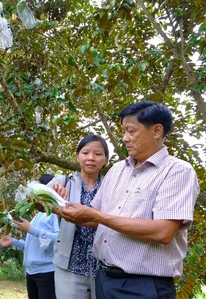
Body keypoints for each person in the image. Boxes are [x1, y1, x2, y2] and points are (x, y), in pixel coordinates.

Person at [58, 101, 199, 298]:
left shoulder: (177, 171)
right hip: (104, 278)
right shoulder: (117, 170)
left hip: (143, 286)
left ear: (157, 131)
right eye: (123, 131)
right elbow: (91, 218)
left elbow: (163, 232)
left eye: (131, 131)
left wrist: (100, 217)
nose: (125, 138)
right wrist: (54, 205)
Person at [47, 134, 109, 299]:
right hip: (69, 266)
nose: (91, 158)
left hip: (103, 268)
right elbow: (37, 200)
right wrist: (52, 194)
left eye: (98, 154)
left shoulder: (111, 187)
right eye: (85, 152)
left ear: (106, 160)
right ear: (77, 156)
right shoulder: (63, 181)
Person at [0, 174, 59, 299]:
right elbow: (36, 246)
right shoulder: (39, 215)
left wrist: (31, 229)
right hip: (32, 272)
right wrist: (14, 242)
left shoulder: (55, 212)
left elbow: (59, 239)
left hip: (47, 273)